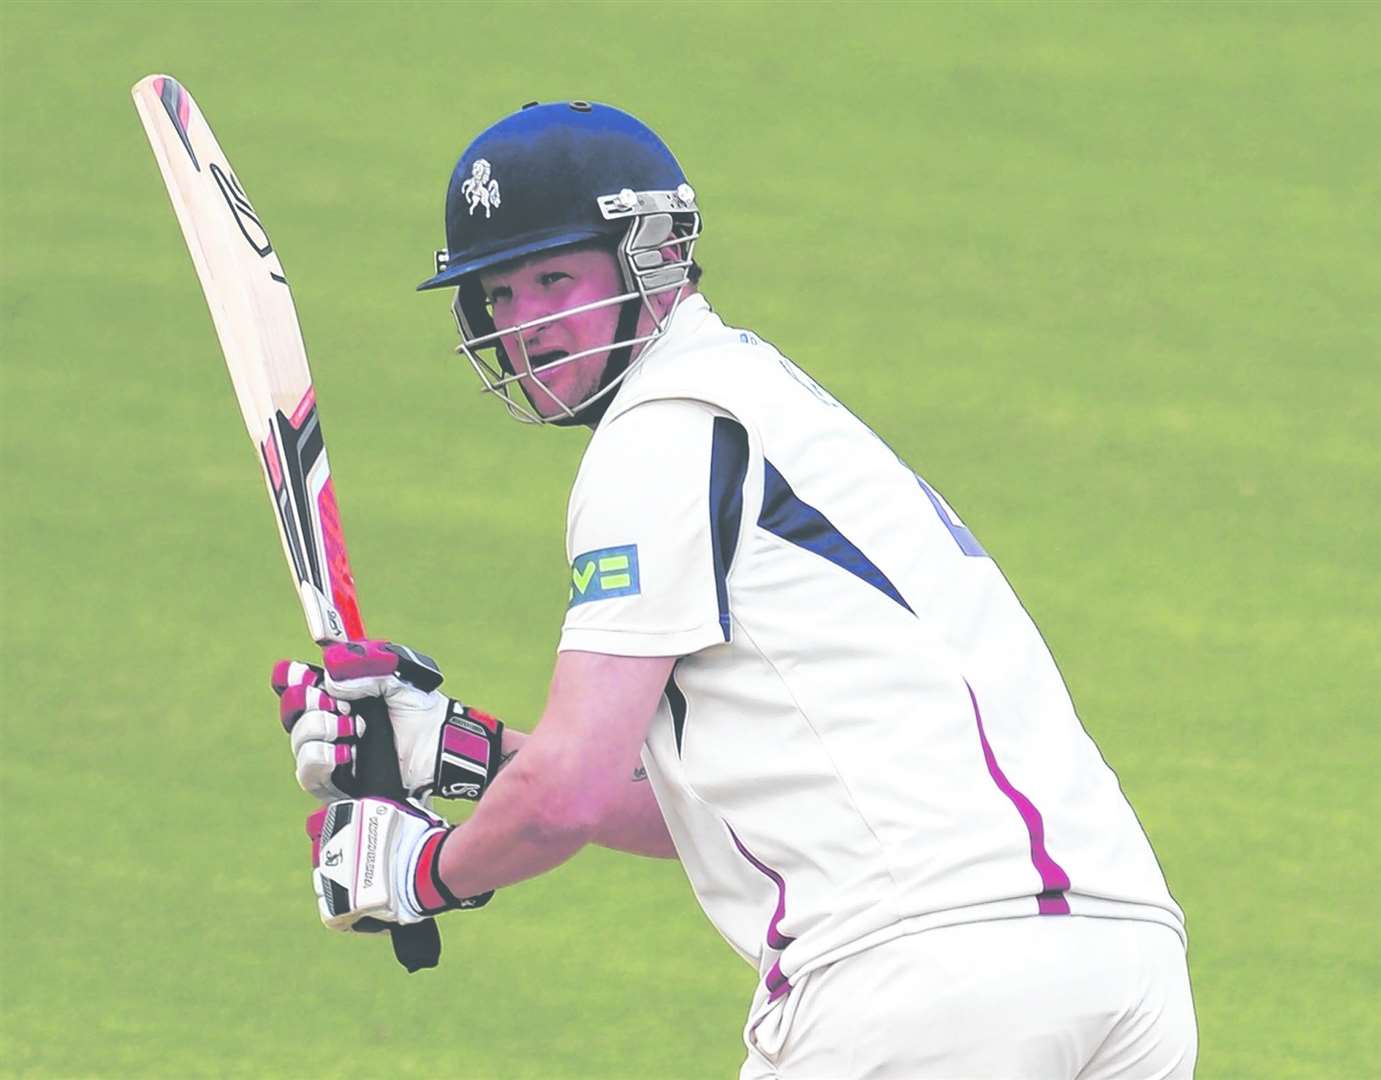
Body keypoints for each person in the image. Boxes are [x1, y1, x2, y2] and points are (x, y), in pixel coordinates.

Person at [276, 100, 1198, 1079]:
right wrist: (462, 750)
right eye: (498, 295)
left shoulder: (659, 435)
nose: (526, 325)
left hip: (919, 980)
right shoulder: (780, 411)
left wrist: (421, 874)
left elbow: (568, 799)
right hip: (1123, 964)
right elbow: (718, 812)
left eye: (553, 278)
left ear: (651, 262)